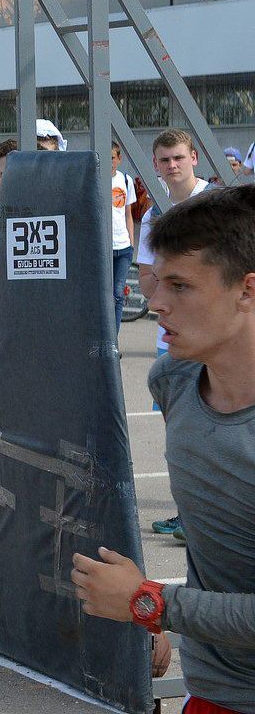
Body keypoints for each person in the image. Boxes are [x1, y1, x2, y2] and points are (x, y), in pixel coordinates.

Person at [71, 183, 255, 713]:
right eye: (157, 281)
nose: (155, 303)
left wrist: (148, 604)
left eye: (180, 285)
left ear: (246, 291)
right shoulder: (173, 378)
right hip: (215, 692)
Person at [137, 129, 211, 538]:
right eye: (164, 160)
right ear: (155, 165)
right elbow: (148, 275)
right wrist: (178, 296)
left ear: (194, 158)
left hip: (214, 334)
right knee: (179, 423)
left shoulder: (212, 203)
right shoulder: (154, 212)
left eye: (178, 157)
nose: (172, 165)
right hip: (173, 332)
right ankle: (188, 512)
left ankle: (210, 516)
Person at [109, 141, 137, 333]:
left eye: (112, 157)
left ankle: (114, 338)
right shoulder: (95, 180)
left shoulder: (126, 180)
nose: (109, 161)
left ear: (119, 159)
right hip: (104, 248)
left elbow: (128, 215)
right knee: (105, 295)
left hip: (123, 247)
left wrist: (131, 243)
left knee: (118, 294)